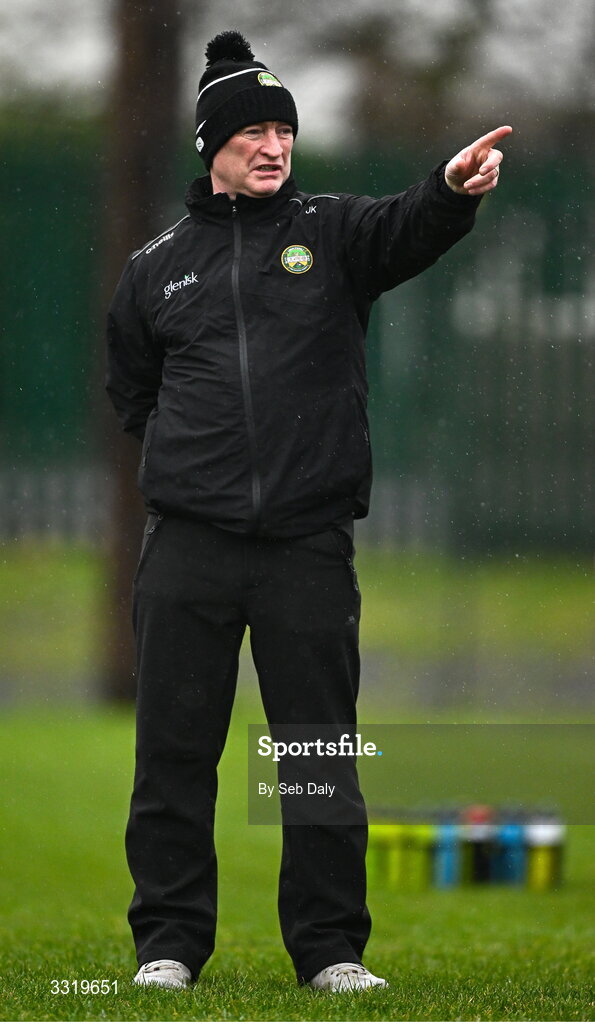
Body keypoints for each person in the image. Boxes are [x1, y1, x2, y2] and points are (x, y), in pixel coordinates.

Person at [106, 29, 511, 993]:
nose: (273, 145)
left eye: (284, 130)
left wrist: (450, 190)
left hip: (305, 547)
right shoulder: (155, 267)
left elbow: (408, 225)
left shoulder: (330, 234)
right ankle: (168, 946)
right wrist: (196, 470)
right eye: (253, 132)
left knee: (319, 757)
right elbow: (134, 394)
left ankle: (330, 953)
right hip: (189, 548)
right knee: (172, 755)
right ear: (213, 146)